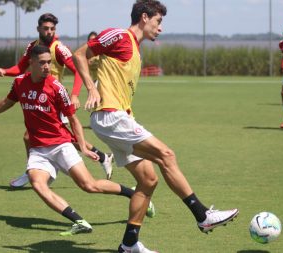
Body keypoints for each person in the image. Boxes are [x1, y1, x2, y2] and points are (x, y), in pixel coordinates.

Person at [73, 1, 239, 252]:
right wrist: (91, 87)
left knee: (148, 180)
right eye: (158, 21)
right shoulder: (120, 35)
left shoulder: (136, 49)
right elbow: (79, 54)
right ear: (144, 17)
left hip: (119, 118)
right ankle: (202, 215)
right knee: (167, 155)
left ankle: (129, 244)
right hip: (110, 116)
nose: (160, 28)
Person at [0, 45, 154, 237]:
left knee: (89, 186)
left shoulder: (56, 88)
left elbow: (73, 119)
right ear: (31, 63)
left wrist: (82, 146)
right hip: (38, 150)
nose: (47, 66)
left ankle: (132, 193)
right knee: (37, 183)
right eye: (42, 63)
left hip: (61, 145)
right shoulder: (19, 83)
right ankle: (79, 221)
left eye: (49, 62)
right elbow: (6, 102)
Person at [0, 13, 114, 187]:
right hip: (41, 99)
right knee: (59, 137)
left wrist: (74, 95)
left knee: (38, 137)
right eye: (46, 28)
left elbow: (78, 70)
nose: (50, 32)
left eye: (52, 29)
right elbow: (21, 67)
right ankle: (102, 157)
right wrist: (6, 71)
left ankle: (33, 171)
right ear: (38, 29)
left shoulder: (59, 48)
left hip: (55, 98)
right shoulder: (32, 47)